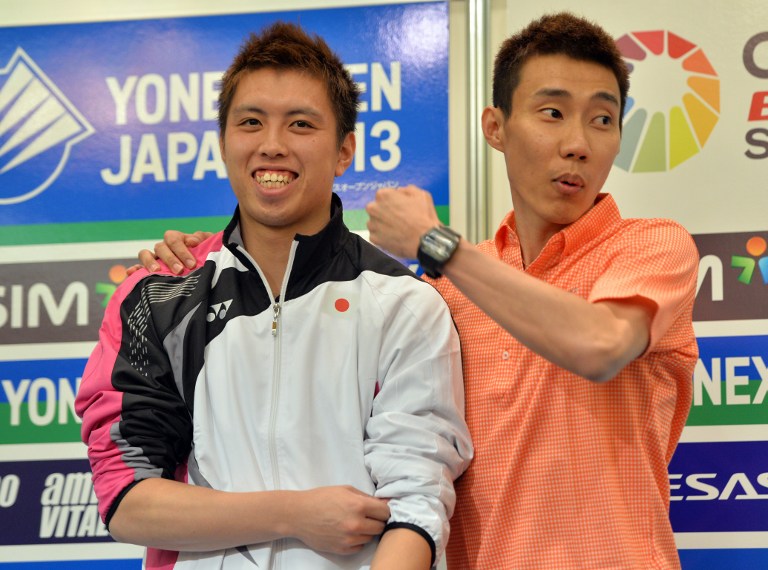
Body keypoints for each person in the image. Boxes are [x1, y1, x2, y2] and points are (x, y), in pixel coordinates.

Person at [141, 12, 699, 569]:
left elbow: (600, 345)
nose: (578, 143)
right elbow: (414, 476)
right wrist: (201, 260)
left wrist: (437, 245)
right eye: (552, 113)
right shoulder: (439, 294)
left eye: (603, 119)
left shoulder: (650, 248)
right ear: (495, 128)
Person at [76, 22, 472, 570]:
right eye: (251, 122)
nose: (272, 145)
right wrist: (293, 514)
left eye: (301, 124)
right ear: (223, 142)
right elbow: (126, 498)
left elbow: (418, 503)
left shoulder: (405, 301)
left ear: (344, 151)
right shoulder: (157, 296)